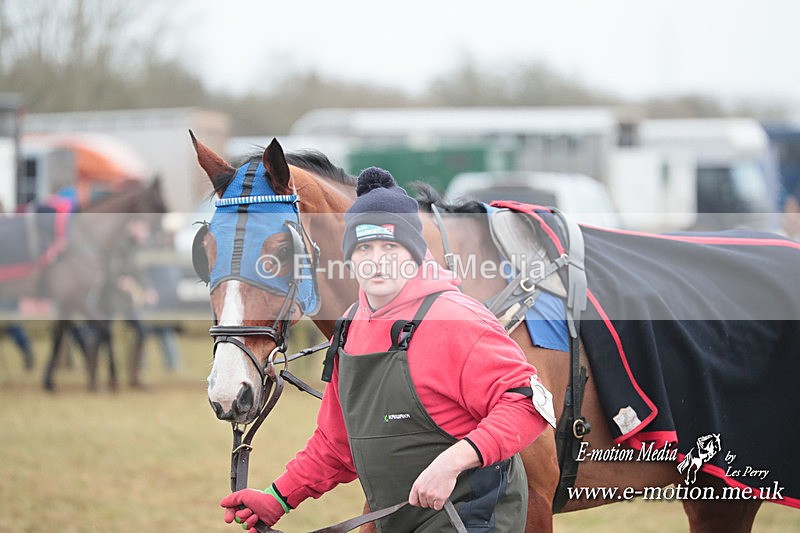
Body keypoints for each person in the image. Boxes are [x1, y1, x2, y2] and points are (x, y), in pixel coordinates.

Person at [220, 168, 550, 532]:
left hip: (472, 518)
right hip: (396, 522)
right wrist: (277, 497)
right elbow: (336, 444)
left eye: (390, 247)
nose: (377, 260)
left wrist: (454, 460)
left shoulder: (456, 318)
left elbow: (527, 404)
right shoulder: (350, 327)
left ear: (414, 254)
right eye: (365, 247)